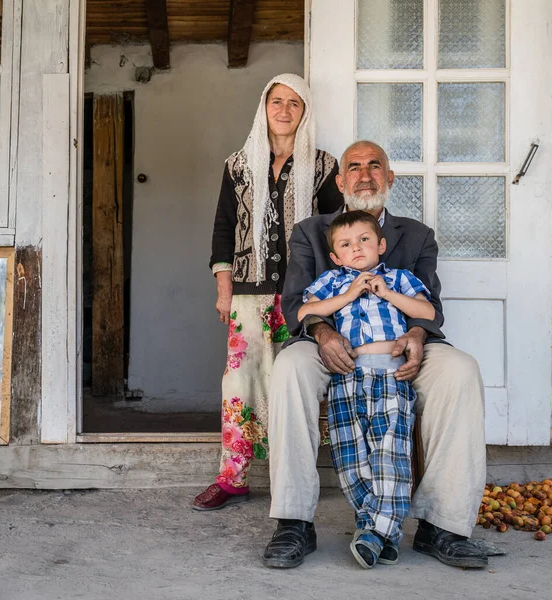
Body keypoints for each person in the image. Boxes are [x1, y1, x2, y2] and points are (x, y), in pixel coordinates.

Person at [263, 140, 487, 569]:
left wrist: (418, 335)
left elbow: (430, 306)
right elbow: (295, 304)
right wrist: (324, 332)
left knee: (461, 370)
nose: (365, 175)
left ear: (389, 177)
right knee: (290, 367)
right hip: (328, 342)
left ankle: (443, 524)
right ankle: (293, 521)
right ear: (341, 180)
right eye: (354, 167)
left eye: (375, 166)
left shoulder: (417, 235)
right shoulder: (311, 231)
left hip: (401, 345)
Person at [193, 74, 343, 511]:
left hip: (304, 295)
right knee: (239, 382)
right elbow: (223, 226)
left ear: (305, 111)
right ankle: (232, 477)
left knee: (289, 384)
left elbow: (337, 233)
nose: (283, 110)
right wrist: (224, 287)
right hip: (247, 292)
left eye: (294, 103)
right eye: (276, 101)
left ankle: (289, 478)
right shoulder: (239, 164)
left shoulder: (324, 166)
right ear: (264, 107)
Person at [298, 210, 434, 568]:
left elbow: (428, 312)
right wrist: (347, 295)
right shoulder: (333, 281)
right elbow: (304, 312)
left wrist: (387, 293)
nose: (356, 248)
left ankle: (374, 533)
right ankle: (380, 532)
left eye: (364, 240)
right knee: (351, 458)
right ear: (335, 257)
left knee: (390, 454)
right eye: (346, 244)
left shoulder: (399, 277)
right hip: (348, 379)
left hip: (391, 378)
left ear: (381, 245)